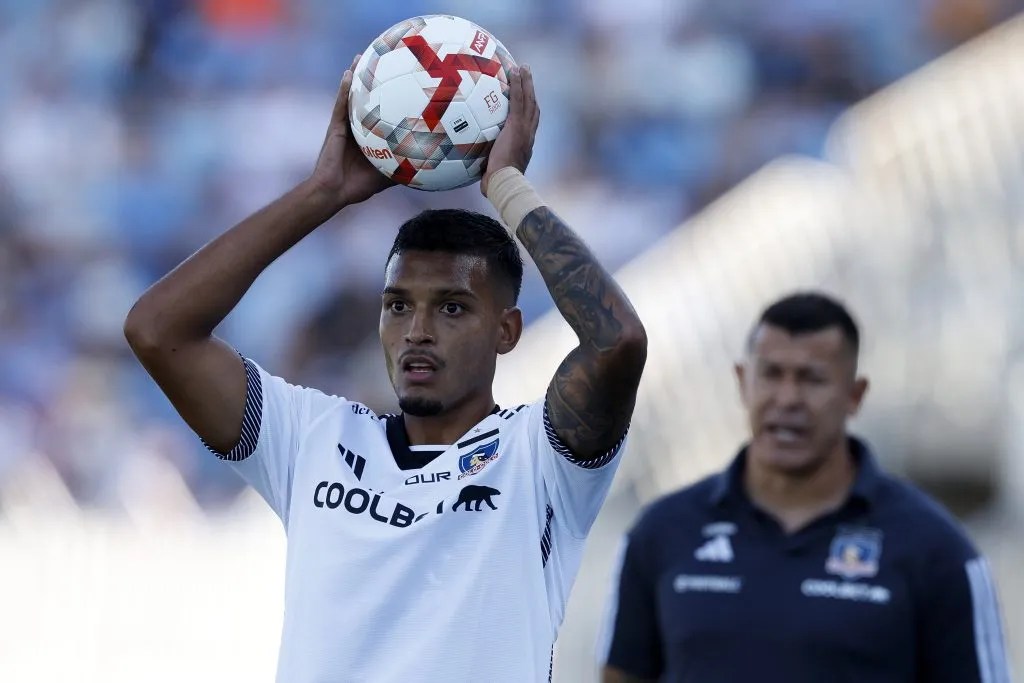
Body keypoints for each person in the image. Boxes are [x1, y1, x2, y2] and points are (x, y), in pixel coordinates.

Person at [124, 55, 647, 683]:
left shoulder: (541, 459)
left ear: (507, 331)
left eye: (452, 308)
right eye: (398, 306)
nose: (418, 331)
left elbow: (617, 341)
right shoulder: (312, 438)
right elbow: (157, 330)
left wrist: (505, 185)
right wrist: (324, 193)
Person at [598, 292, 1011, 683]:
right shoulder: (662, 532)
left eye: (812, 379)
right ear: (743, 382)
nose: (788, 398)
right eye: (771, 375)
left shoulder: (936, 551)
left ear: (855, 395)